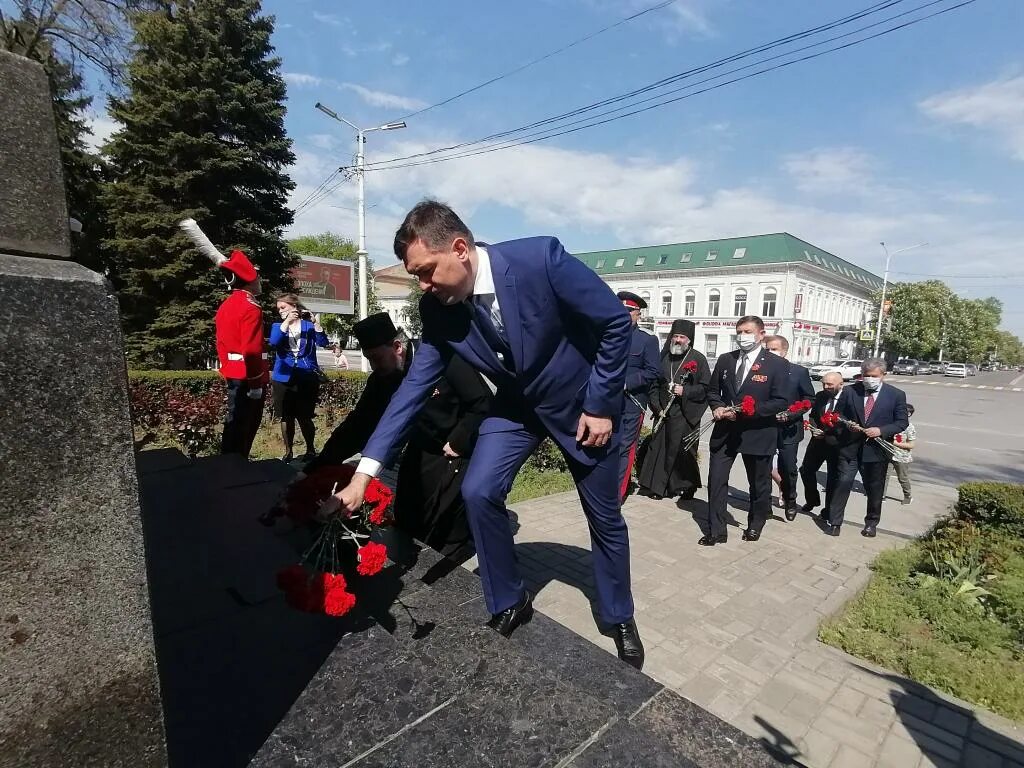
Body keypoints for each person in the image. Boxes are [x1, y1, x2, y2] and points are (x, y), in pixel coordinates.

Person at [324, 200, 645, 669]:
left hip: (581, 408)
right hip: (517, 407)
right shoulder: (438, 311)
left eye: (428, 272)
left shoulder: (541, 260)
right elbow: (411, 391)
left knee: (604, 516)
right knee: (477, 489)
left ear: (460, 249)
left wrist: (600, 405)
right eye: (417, 276)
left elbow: (616, 324)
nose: (423, 286)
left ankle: (619, 614)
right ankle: (509, 599)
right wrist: (363, 476)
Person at [179, 218, 268, 459]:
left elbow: (221, 343)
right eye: (257, 277)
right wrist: (256, 383)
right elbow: (251, 349)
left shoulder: (226, 306)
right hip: (248, 378)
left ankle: (229, 466)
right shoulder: (251, 307)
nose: (260, 281)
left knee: (233, 425)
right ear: (249, 279)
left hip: (232, 373)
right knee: (244, 429)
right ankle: (236, 471)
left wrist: (228, 368)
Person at [703, 316, 789, 545]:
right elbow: (713, 392)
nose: (743, 336)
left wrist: (750, 411)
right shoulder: (725, 360)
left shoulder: (776, 364)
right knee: (716, 480)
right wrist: (718, 407)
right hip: (725, 432)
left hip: (758, 433)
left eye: (748, 331)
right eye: (739, 331)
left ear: (761, 334)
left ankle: (755, 524)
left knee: (759, 484)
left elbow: (781, 401)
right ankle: (716, 530)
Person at [826, 358, 909, 537]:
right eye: (866, 375)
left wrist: (881, 430)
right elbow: (837, 414)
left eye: (873, 376)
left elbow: (901, 422)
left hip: (876, 451)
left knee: (874, 488)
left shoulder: (896, 395)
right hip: (850, 448)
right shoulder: (850, 391)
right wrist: (847, 425)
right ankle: (835, 522)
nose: (869, 379)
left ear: (883, 375)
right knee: (842, 483)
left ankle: (871, 522)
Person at [637, 319, 710, 501]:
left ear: (689, 340)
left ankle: (687, 485)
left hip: (685, 413)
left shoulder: (698, 359)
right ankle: (657, 488)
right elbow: (653, 383)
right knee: (659, 449)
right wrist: (656, 406)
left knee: (683, 452)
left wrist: (685, 391)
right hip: (664, 412)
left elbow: (706, 388)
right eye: (675, 336)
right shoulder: (663, 356)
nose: (678, 340)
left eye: (682, 337)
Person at [269, 294, 331, 463]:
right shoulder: (278, 326)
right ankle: (288, 451)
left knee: (305, 415)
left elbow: (323, 342)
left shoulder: (307, 325)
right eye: (279, 309)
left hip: (306, 376)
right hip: (283, 377)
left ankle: (311, 449)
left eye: (283, 307)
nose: (280, 311)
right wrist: (286, 322)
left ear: (294, 306)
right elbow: (274, 342)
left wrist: (315, 322)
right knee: (286, 416)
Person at [616, 291, 660, 501]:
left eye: (629, 311)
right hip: (607, 401)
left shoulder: (647, 340)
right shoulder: (608, 335)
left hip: (632, 403)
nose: (624, 314)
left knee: (624, 448)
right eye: (621, 310)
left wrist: (627, 383)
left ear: (638, 314)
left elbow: (653, 371)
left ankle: (616, 495)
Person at [764, 335, 814, 521]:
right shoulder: (760, 370)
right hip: (765, 427)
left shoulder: (799, 372)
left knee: (788, 467)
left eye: (774, 349)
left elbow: (809, 399)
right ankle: (763, 504)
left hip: (789, 429)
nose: (770, 353)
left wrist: (792, 414)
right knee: (763, 467)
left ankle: (790, 499)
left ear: (784, 351)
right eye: (767, 349)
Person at [799, 372, 846, 520]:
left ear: (841, 384)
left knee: (833, 478)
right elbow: (813, 416)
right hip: (817, 442)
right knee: (806, 470)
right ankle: (812, 499)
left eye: (830, 385)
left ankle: (828, 510)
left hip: (836, 445)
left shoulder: (848, 399)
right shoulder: (821, 395)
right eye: (824, 384)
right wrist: (814, 429)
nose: (826, 387)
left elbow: (848, 422)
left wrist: (829, 434)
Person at [883, 403, 916, 505]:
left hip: (901, 457)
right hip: (888, 454)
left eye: (908, 413)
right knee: (884, 476)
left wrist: (896, 443)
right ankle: (881, 494)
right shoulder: (891, 423)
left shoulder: (909, 427)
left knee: (902, 478)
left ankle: (908, 496)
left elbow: (911, 445)